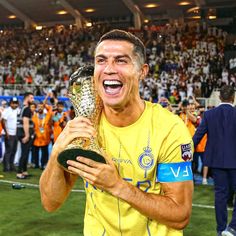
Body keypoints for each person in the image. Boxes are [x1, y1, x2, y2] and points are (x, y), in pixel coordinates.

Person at [40, 29, 193, 236]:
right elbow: (50, 203)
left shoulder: (170, 129)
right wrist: (58, 149)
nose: (109, 69)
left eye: (121, 61)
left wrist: (117, 186)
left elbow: (180, 215)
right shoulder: (86, 126)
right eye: (101, 61)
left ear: (142, 71)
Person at [193, 85, 236, 236]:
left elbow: (197, 136)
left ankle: (221, 230)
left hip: (216, 162)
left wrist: (185, 153)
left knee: (220, 196)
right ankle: (232, 228)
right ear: (233, 97)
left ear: (220, 97)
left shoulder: (209, 115)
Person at [16, 92, 34, 179]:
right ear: (27, 98)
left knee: (25, 153)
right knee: (24, 153)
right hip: (24, 134)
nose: (33, 100)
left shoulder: (21, 108)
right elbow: (25, 122)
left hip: (20, 133)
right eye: (31, 98)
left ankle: (24, 171)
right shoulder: (27, 109)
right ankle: (19, 172)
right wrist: (27, 135)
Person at [1, 97, 19, 172]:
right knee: (8, 151)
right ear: (10, 103)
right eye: (13, 103)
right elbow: (3, 121)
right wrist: (6, 132)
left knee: (14, 150)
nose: (15, 104)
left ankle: (11, 166)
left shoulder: (18, 110)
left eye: (16, 103)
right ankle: (6, 167)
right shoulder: (7, 111)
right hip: (9, 133)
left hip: (16, 133)